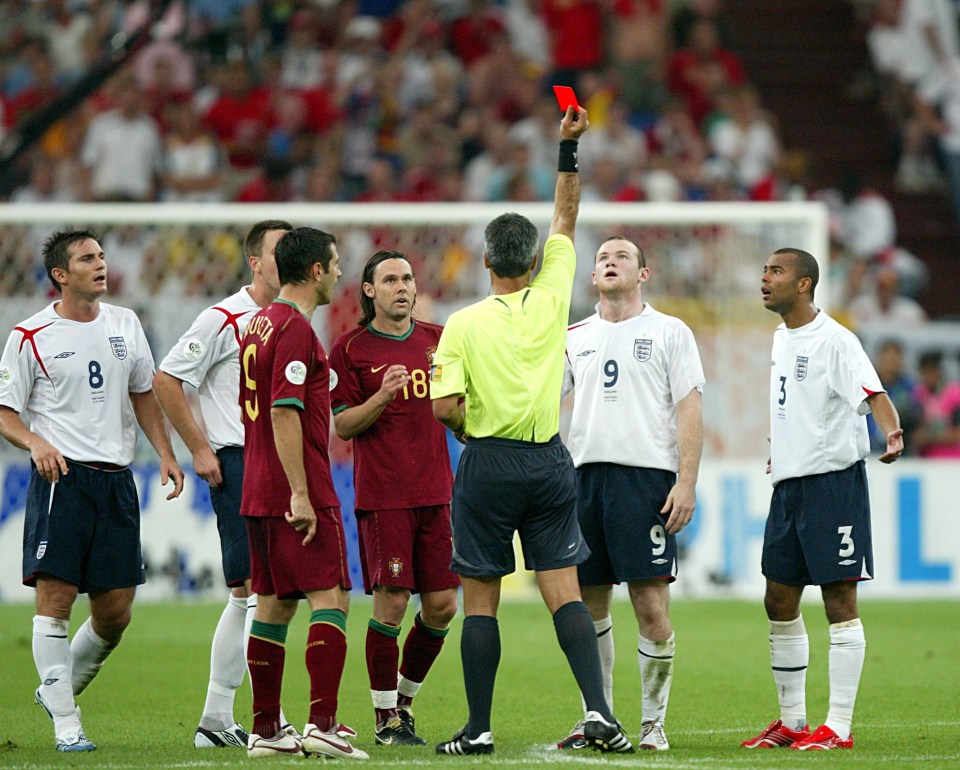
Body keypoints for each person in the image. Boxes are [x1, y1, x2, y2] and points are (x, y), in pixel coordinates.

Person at [430, 105, 633, 755]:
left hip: (488, 464)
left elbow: (444, 408)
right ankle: (599, 713)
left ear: (487, 259)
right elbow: (566, 216)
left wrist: (469, 429)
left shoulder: (461, 324)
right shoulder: (552, 300)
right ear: (536, 259)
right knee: (564, 595)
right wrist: (567, 149)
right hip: (549, 462)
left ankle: (479, 727)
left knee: (481, 601)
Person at [0, 229, 185, 752]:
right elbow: (5, 411)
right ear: (61, 275)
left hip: (117, 481)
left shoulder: (125, 323)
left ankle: (57, 692)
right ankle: (67, 725)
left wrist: (166, 453)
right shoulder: (30, 335)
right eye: (87, 258)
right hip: (63, 479)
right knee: (55, 601)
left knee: (116, 611)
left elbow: (144, 393)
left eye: (101, 256)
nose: (100, 264)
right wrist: (35, 442)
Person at [742, 248, 903, 751]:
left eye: (776, 271)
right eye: (765, 270)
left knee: (839, 599)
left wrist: (892, 433)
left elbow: (872, 393)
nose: (765, 278)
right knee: (779, 598)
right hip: (788, 485)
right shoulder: (781, 337)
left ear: (805, 284)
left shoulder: (835, 339)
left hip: (833, 485)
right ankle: (792, 721)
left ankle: (838, 725)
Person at [557, 235, 705, 752]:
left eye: (622, 256)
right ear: (593, 276)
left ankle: (652, 724)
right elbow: (545, 404)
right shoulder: (574, 335)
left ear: (644, 273)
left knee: (650, 605)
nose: (609, 262)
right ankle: (598, 715)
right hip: (585, 481)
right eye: (601, 258)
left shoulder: (669, 331)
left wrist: (685, 481)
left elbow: (689, 407)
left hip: (646, 482)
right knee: (590, 605)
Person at [153, 220, 297, 749]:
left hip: (279, 465)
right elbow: (167, 378)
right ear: (255, 262)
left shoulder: (293, 317)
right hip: (240, 462)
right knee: (250, 591)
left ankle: (229, 718)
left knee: (267, 592)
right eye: (281, 250)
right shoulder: (224, 318)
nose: (293, 257)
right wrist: (198, 448)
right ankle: (238, 718)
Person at [238, 227, 368, 760]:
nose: (340, 273)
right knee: (330, 598)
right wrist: (300, 493)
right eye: (335, 264)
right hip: (298, 485)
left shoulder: (258, 324)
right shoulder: (293, 329)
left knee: (272, 606)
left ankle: (266, 729)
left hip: (255, 484)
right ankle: (323, 724)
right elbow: (283, 410)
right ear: (315, 270)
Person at [329, 250, 459, 746]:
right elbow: (342, 424)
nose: (402, 287)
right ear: (369, 291)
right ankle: (384, 718)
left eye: (407, 278)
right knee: (393, 602)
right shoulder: (350, 349)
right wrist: (381, 397)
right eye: (390, 280)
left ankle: (404, 703)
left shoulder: (438, 340)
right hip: (384, 496)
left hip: (436, 493)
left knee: (444, 605)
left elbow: (455, 404)